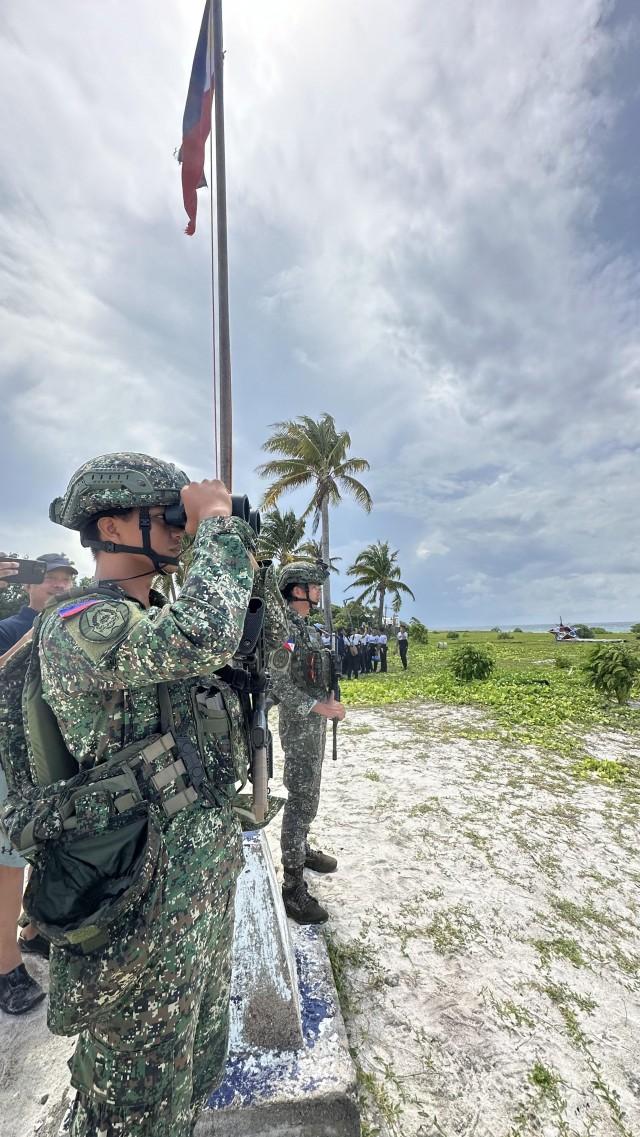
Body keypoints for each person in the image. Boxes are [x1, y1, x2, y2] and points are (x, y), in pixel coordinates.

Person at [2, 453, 262, 1137]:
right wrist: (219, 528)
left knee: (191, 1075)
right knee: (131, 1108)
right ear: (111, 524)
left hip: (194, 907)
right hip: (136, 918)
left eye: (182, 517)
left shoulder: (154, 619)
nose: (181, 530)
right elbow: (203, 631)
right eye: (168, 516)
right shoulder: (82, 622)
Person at [0, 553, 77, 1015]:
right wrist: (36, 635)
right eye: (49, 579)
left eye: (66, 580)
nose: (59, 587)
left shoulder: (73, 628)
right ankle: (6, 967)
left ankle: (31, 933)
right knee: (9, 864)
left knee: (48, 851)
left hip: (53, 760)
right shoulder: (12, 628)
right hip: (11, 762)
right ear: (29, 585)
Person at [269, 562, 345, 925]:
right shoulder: (285, 628)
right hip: (300, 725)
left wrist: (326, 704)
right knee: (300, 797)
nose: (318, 591)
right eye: (314, 585)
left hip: (314, 725)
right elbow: (275, 680)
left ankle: (301, 848)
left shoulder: (307, 628)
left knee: (310, 794)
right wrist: (318, 706)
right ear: (297, 589)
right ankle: (293, 885)